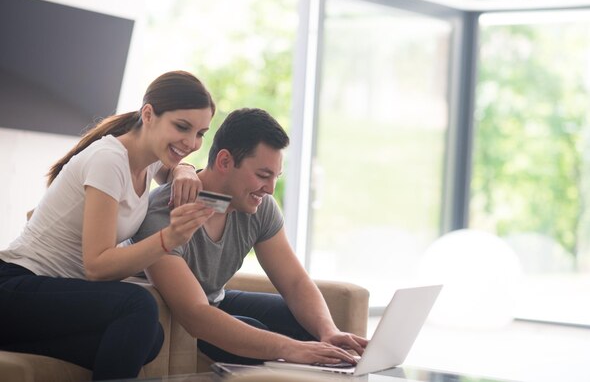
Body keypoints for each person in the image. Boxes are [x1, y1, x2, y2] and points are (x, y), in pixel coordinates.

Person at [0, 70, 216, 380]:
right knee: (137, 306)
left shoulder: (151, 156)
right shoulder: (109, 160)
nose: (192, 142)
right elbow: (97, 266)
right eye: (182, 127)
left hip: (48, 300)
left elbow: (172, 166)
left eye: (200, 133)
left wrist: (185, 171)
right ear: (149, 114)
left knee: (149, 337)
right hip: (14, 287)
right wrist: (169, 238)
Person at [131, 107, 368, 366]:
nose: (269, 189)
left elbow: (295, 282)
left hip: (216, 300)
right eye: (262, 175)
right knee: (264, 335)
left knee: (307, 327)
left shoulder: (258, 206)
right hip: (180, 316)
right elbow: (195, 314)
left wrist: (328, 331)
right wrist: (291, 349)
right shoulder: (162, 215)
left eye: (275, 177)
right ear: (224, 162)